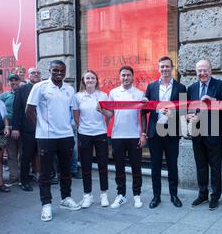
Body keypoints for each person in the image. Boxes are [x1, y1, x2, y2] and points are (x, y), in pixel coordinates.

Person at [26, 60, 81, 222]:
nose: (59, 73)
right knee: (46, 172)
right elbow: (29, 109)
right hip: (46, 137)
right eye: (55, 70)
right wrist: (40, 127)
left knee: (66, 170)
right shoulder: (40, 87)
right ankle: (46, 204)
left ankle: (66, 198)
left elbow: (73, 111)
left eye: (62, 71)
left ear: (65, 72)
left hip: (66, 136)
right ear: (49, 70)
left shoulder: (69, 89)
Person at [142, 56, 186, 209]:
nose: (165, 69)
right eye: (162, 67)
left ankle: (174, 195)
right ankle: (156, 196)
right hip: (155, 132)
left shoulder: (180, 88)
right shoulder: (151, 87)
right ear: (158, 68)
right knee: (155, 166)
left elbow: (184, 110)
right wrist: (143, 132)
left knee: (172, 165)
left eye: (167, 66)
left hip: (172, 132)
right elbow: (145, 109)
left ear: (172, 68)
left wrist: (172, 114)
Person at [187, 59, 222, 210]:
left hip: (214, 132)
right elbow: (188, 109)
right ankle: (202, 194)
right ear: (196, 72)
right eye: (199, 71)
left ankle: (215, 196)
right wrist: (188, 116)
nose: (202, 73)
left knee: (215, 167)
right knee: (201, 166)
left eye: (205, 70)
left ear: (211, 70)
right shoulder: (191, 88)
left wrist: (213, 100)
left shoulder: (220, 85)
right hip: (197, 133)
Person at [108, 66, 147, 209]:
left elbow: (143, 116)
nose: (125, 78)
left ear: (132, 77)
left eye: (128, 75)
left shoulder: (139, 93)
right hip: (117, 135)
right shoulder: (113, 93)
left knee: (136, 167)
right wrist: (101, 111)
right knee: (119, 167)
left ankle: (137, 195)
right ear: (119, 77)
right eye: (123, 75)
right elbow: (110, 114)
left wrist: (143, 134)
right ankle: (121, 195)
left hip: (134, 136)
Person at [73, 70, 112, 208]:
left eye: (93, 78)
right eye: (87, 78)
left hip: (100, 133)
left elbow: (109, 115)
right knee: (86, 165)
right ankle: (87, 195)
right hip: (84, 134)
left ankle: (103, 194)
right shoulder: (77, 96)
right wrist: (82, 129)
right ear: (83, 80)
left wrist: (102, 111)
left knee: (102, 165)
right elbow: (76, 117)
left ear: (96, 80)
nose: (90, 80)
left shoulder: (103, 95)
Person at [12, 68, 41, 191]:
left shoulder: (44, 88)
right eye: (33, 73)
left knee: (42, 154)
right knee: (27, 155)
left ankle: (42, 177)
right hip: (28, 128)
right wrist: (15, 128)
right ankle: (24, 181)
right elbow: (16, 110)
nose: (35, 74)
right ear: (28, 76)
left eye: (38, 73)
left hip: (44, 128)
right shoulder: (21, 89)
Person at [0, 74, 22, 186]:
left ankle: (23, 177)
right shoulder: (4, 96)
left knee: (23, 154)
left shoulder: (24, 94)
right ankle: (14, 178)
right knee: (12, 154)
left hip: (22, 129)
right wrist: (6, 126)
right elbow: (1, 113)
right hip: (9, 128)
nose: (14, 82)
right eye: (11, 81)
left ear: (20, 81)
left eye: (16, 80)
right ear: (8, 83)